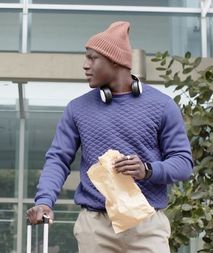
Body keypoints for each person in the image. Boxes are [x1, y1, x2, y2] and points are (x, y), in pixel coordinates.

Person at [26, 21, 193, 252]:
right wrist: (44, 201)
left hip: (147, 225)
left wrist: (147, 170)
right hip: (96, 226)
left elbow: (184, 164)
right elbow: (58, 159)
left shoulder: (162, 106)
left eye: (92, 58)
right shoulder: (77, 109)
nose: (85, 65)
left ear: (115, 61)